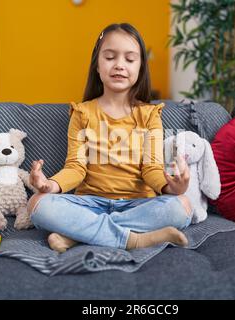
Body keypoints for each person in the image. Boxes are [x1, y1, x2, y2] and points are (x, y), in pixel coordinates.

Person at [27, 23, 193, 253]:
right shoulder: (81, 113)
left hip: (138, 205)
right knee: (37, 204)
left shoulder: (150, 115)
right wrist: (50, 184)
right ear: (97, 64)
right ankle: (135, 240)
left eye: (129, 59)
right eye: (110, 57)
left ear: (140, 68)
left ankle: (77, 236)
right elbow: (75, 167)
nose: (119, 65)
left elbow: (151, 168)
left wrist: (171, 187)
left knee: (182, 206)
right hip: (89, 204)